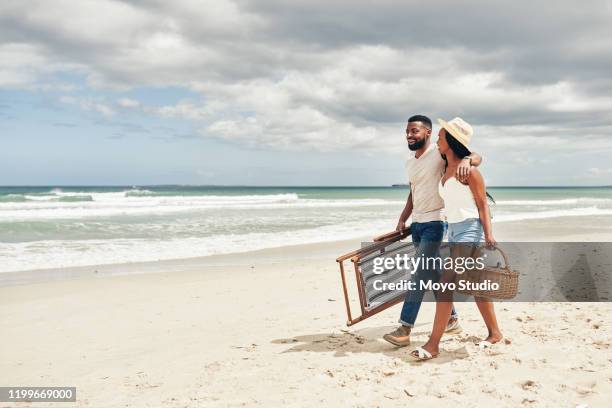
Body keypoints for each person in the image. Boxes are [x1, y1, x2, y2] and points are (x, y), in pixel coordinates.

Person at [383, 115, 482, 347]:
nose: (410, 135)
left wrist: (469, 160)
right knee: (434, 273)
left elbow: (476, 154)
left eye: (415, 131)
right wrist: (403, 219)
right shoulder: (409, 162)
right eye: (407, 131)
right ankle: (452, 320)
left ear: (427, 132)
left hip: (436, 223)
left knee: (419, 274)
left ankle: (404, 327)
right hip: (417, 225)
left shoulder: (438, 153)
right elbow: (413, 192)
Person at [409, 117, 503, 361]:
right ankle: (495, 334)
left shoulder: (469, 171)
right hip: (454, 231)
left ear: (450, 141)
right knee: (475, 284)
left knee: (444, 284)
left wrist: (489, 235)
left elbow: (483, 206)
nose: (437, 140)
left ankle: (433, 344)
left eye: (440, 137)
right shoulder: (445, 166)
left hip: (471, 230)